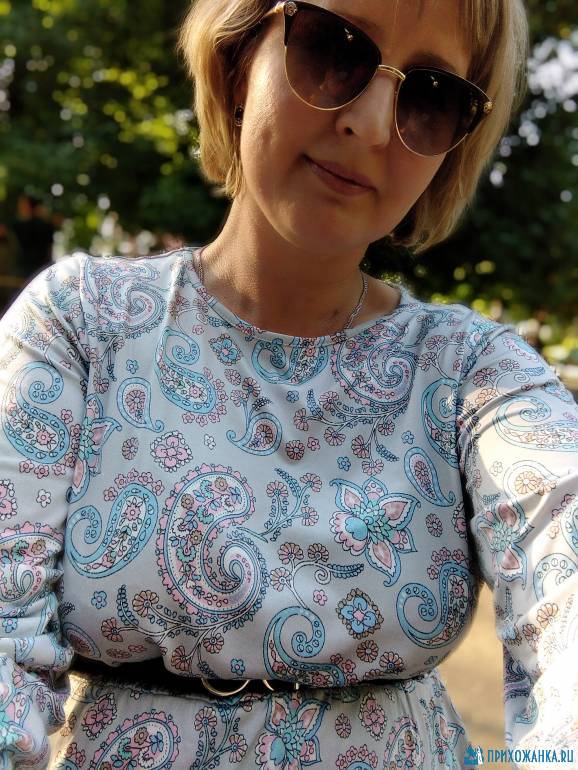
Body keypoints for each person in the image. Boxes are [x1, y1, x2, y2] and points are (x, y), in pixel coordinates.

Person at [0, 1, 576, 769]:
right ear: (241, 60)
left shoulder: (474, 375)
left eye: (432, 96)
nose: (372, 124)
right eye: (335, 47)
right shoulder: (80, 325)